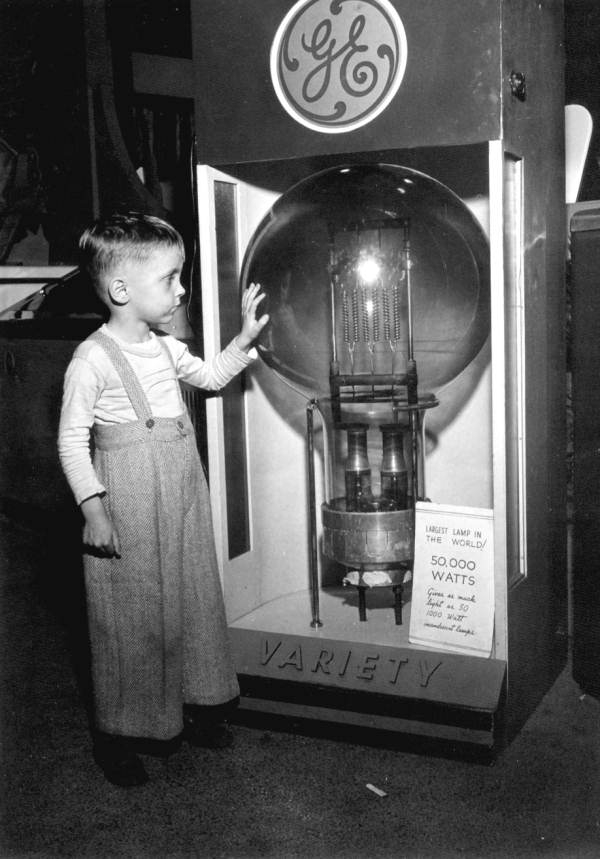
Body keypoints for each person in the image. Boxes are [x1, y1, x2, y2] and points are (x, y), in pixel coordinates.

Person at [58, 212, 268, 787]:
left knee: (190, 599)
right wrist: (93, 508)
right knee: (132, 617)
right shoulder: (92, 359)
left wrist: (243, 343)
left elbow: (212, 378)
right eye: (171, 279)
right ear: (122, 291)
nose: (181, 290)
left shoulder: (166, 348)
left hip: (180, 485)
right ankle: (118, 732)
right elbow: (72, 442)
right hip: (126, 494)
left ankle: (190, 706)